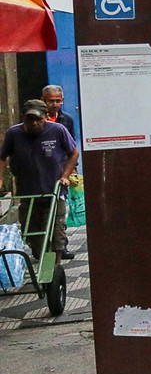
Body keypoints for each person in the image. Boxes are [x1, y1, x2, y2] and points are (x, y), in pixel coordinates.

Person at [0, 100, 79, 261]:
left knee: (56, 232)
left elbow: (74, 153)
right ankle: (41, 256)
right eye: (30, 119)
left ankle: (54, 270)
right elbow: (2, 157)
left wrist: (65, 175)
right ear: (23, 117)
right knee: (31, 231)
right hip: (28, 193)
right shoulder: (14, 134)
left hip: (54, 192)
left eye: (39, 119)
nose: (35, 123)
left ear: (46, 117)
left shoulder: (58, 130)